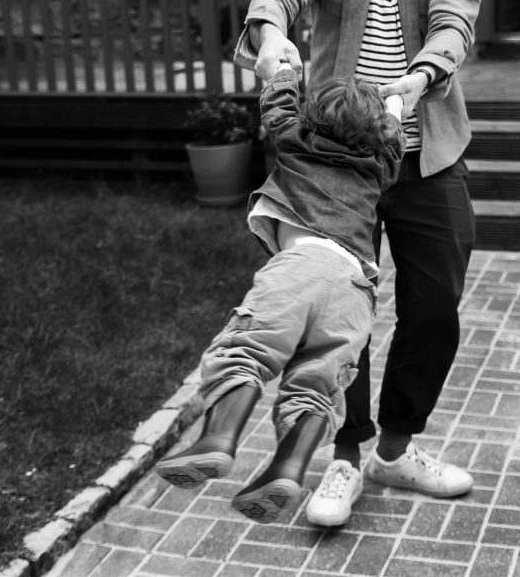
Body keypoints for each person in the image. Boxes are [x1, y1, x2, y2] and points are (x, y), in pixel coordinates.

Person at [233, 0, 482, 526]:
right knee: (340, 311)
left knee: (433, 310)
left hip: (426, 155)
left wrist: (418, 78)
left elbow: (454, 24)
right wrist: (271, 37)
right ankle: (344, 456)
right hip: (338, 161)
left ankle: (394, 451)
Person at [155, 63, 405, 525]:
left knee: (246, 351)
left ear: (311, 119)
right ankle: (288, 466)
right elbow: (395, 134)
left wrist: (282, 69)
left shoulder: (294, 140)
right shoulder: (379, 166)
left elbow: (277, 104)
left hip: (301, 268)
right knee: (317, 385)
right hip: (355, 288)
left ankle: (218, 438)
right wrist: (393, 104)